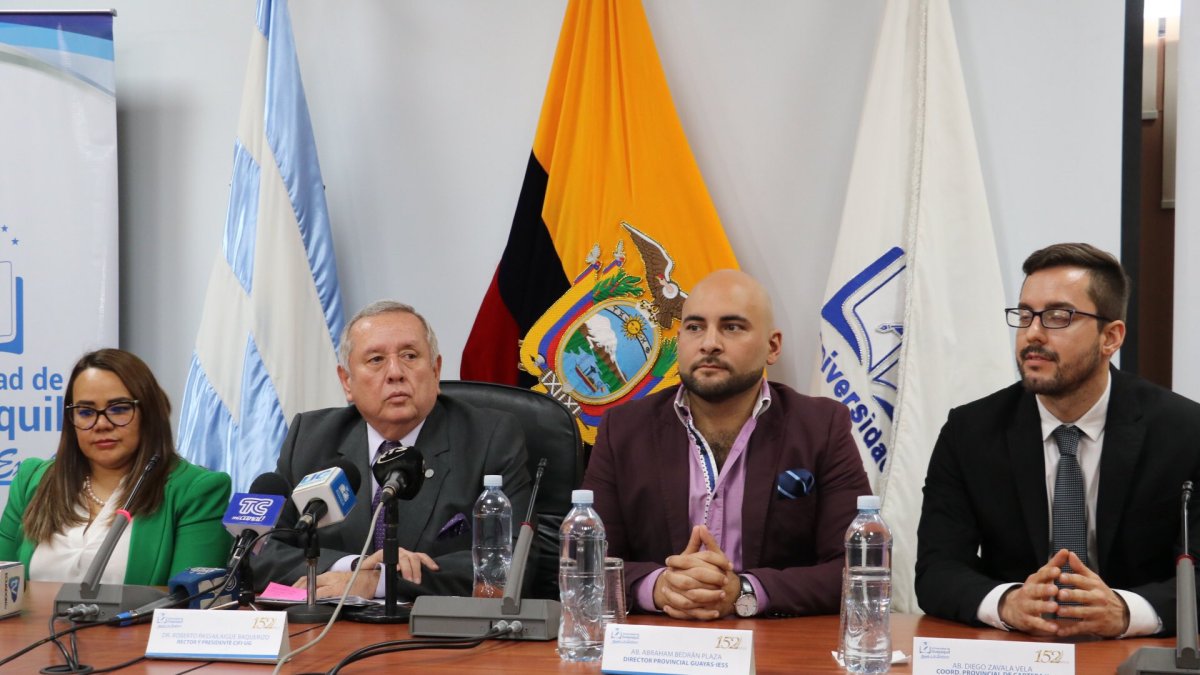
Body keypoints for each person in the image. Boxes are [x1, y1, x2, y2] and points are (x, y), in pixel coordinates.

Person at [916, 242, 1200, 638]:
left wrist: (1124, 611)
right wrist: (1007, 602)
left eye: (1057, 317)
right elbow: (936, 570)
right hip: (1016, 654)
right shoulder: (970, 432)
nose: (1032, 334)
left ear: (1111, 337)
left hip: (1131, 654)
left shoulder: (1185, 431)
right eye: (1025, 315)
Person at [582, 269, 870, 619]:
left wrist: (743, 591)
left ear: (773, 346)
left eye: (732, 327)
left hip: (773, 648)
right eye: (694, 327)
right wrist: (659, 587)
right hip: (656, 646)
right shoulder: (624, 429)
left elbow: (857, 570)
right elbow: (586, 562)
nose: (709, 343)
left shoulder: (821, 427)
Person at [252, 301, 532, 599]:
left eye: (410, 356)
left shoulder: (490, 438)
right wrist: (353, 569)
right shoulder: (310, 438)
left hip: (436, 637)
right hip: (330, 635)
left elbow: (513, 565)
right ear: (347, 381)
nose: (395, 372)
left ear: (436, 371)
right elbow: (257, 552)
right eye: (375, 360)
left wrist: (381, 582)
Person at [0, 349, 232, 585]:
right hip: (34, 624)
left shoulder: (195, 491)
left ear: (149, 413)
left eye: (119, 409)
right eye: (86, 412)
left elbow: (188, 605)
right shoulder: (32, 480)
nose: (101, 424)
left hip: (139, 624)